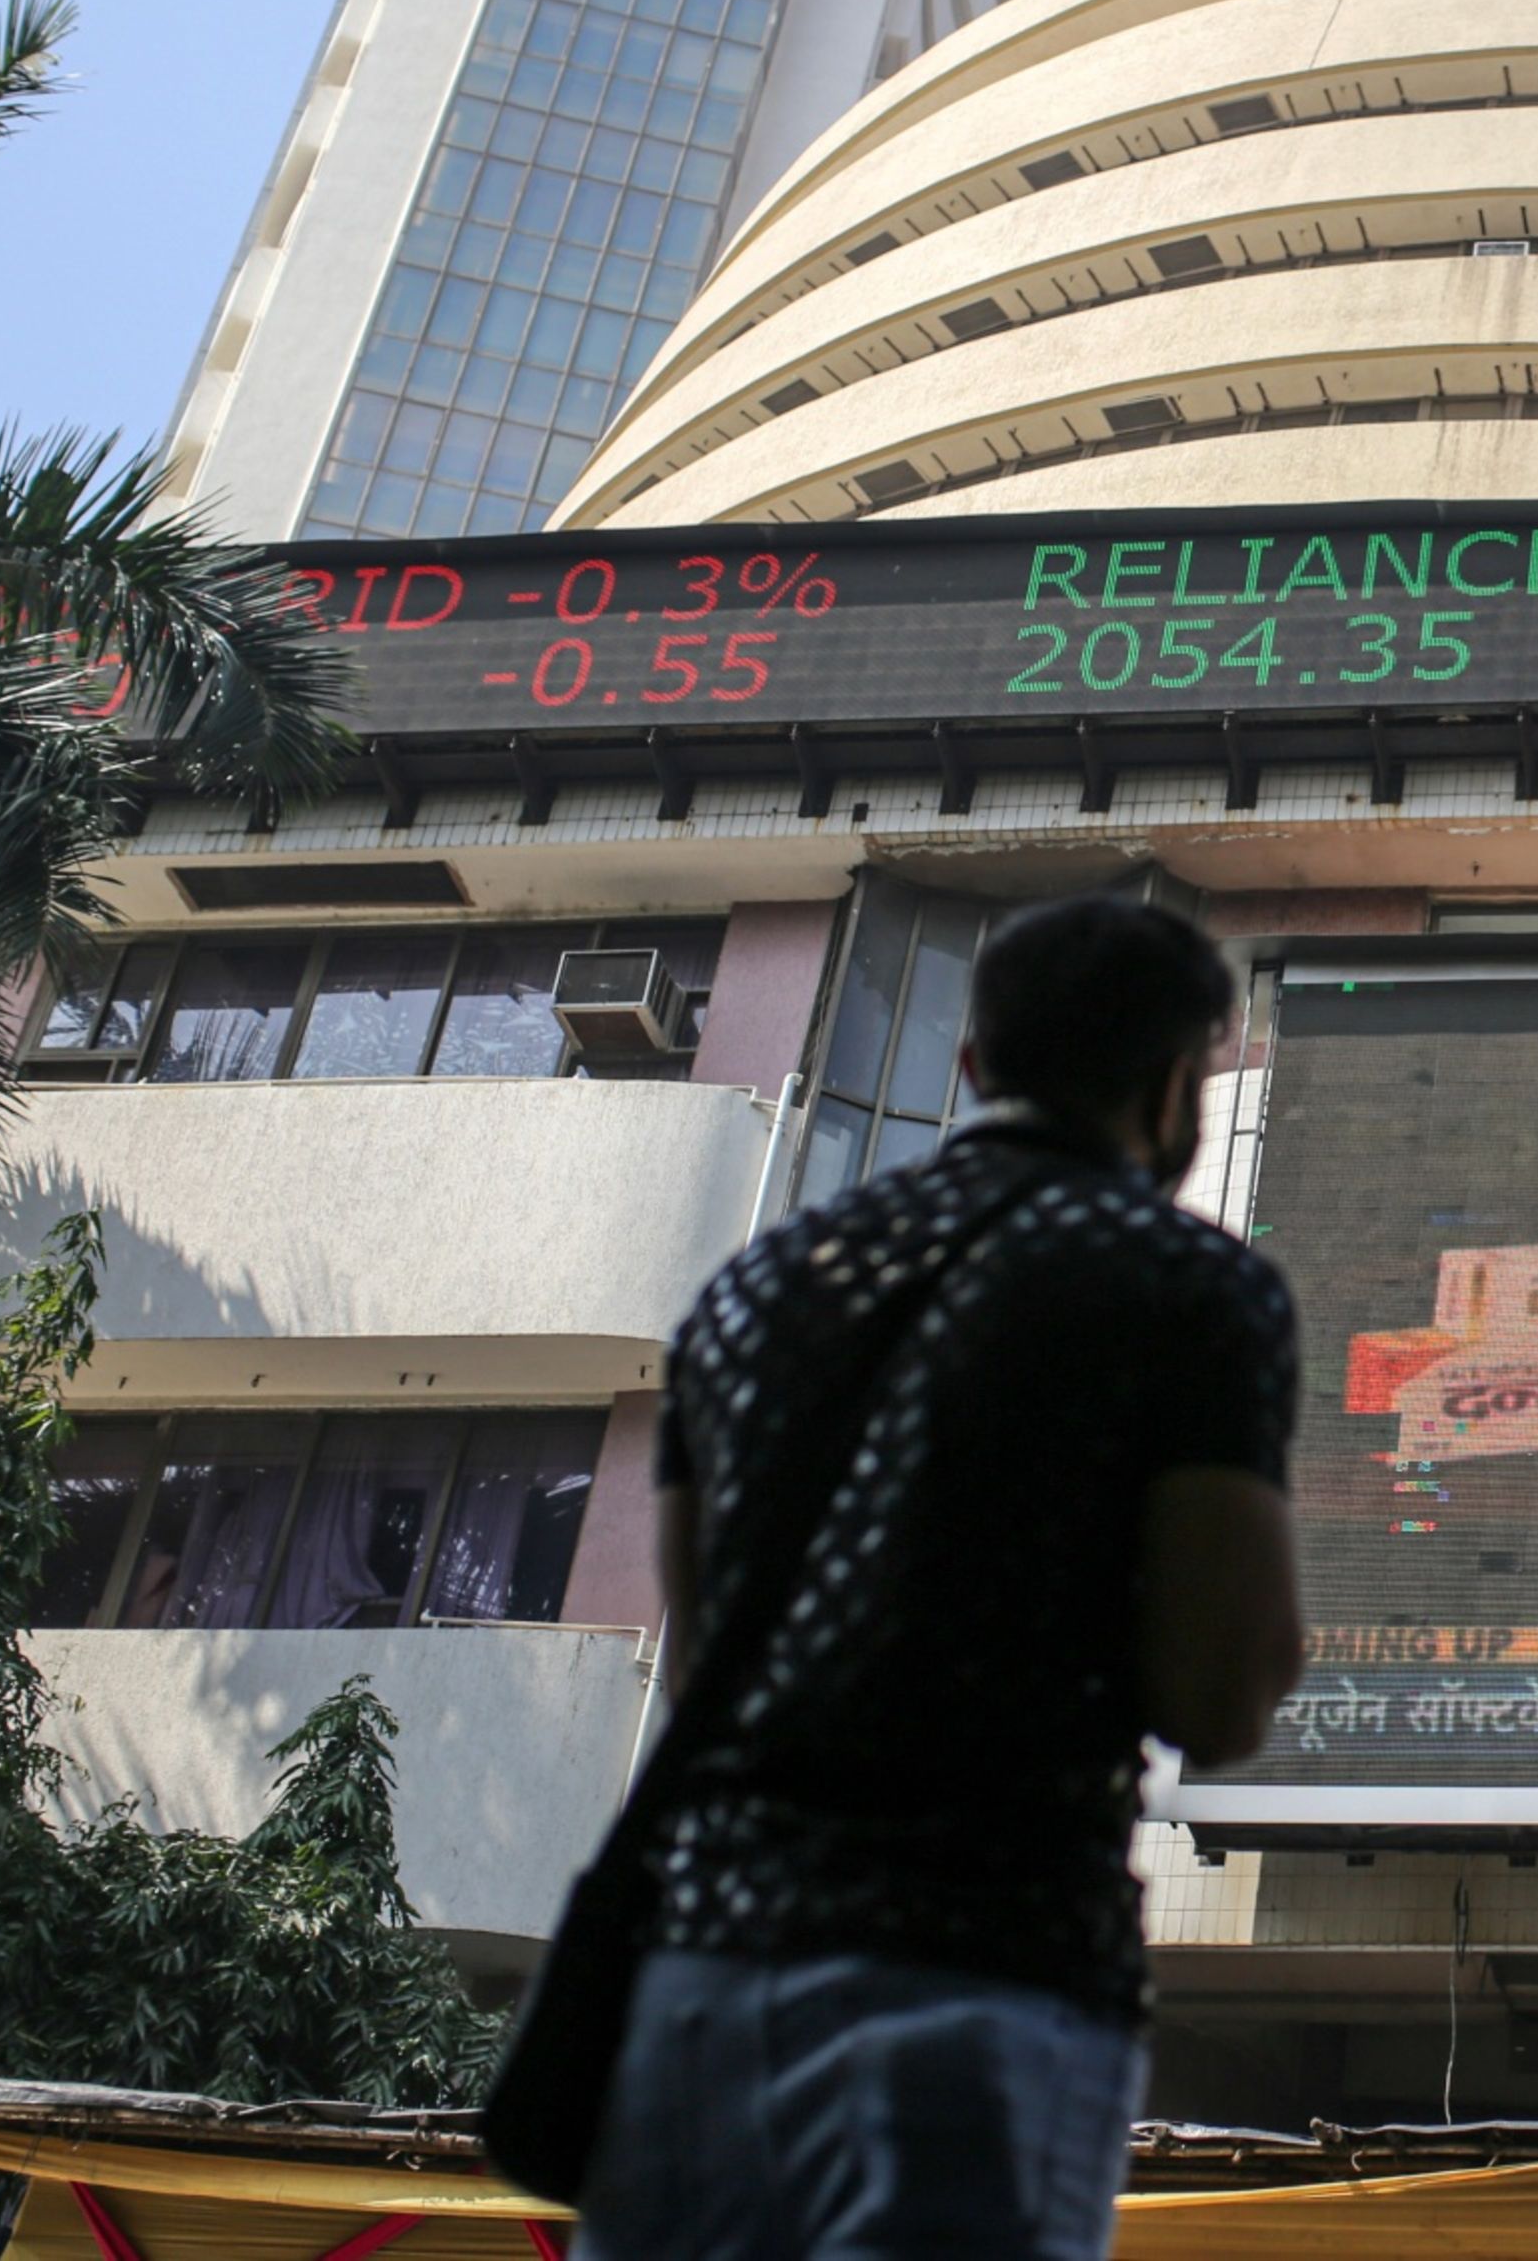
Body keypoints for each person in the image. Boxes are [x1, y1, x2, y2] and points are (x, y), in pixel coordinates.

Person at [575, 898, 1307, 2261]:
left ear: (970, 1067)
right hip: (985, 1971)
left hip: (702, 1980)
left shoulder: (749, 1290)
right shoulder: (1189, 1288)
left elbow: (701, 1663)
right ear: (1172, 1088)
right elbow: (1218, 1695)